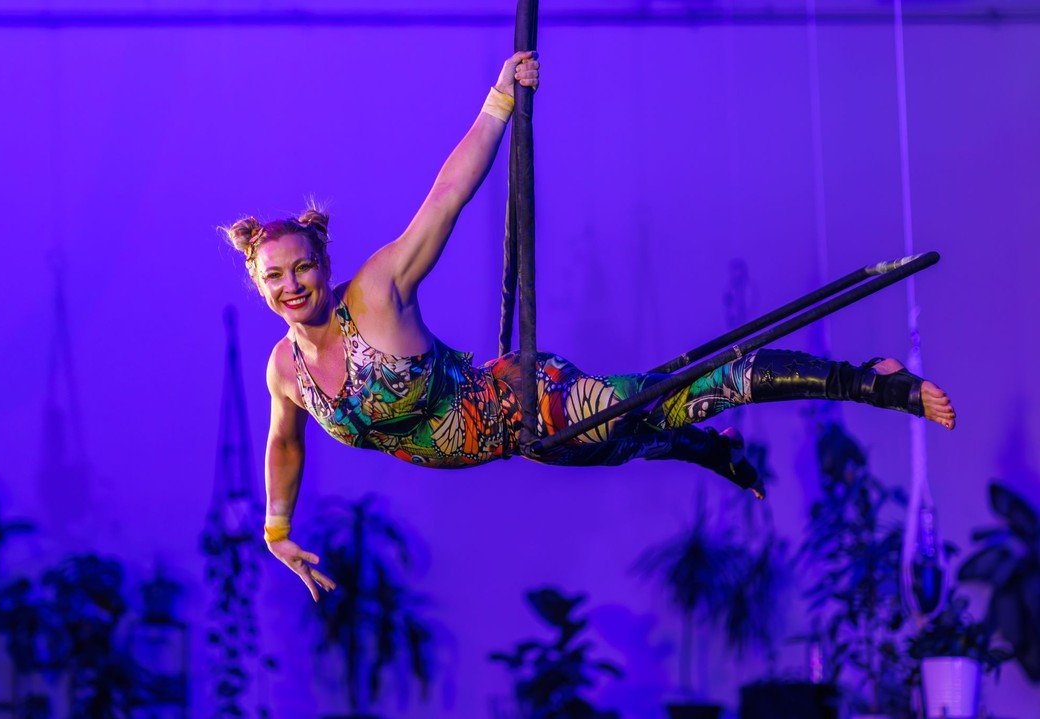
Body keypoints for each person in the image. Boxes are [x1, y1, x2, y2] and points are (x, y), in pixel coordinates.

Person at [225, 52, 956, 600]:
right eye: (274, 279)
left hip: (528, 402)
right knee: (629, 444)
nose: (292, 287)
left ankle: (874, 381)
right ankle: (705, 447)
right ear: (259, 286)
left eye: (302, 268)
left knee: (680, 390)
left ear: (325, 257)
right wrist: (276, 526)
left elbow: (446, 198)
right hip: (530, 446)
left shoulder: (378, 291)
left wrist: (498, 103)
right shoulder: (283, 370)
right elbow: (284, 440)